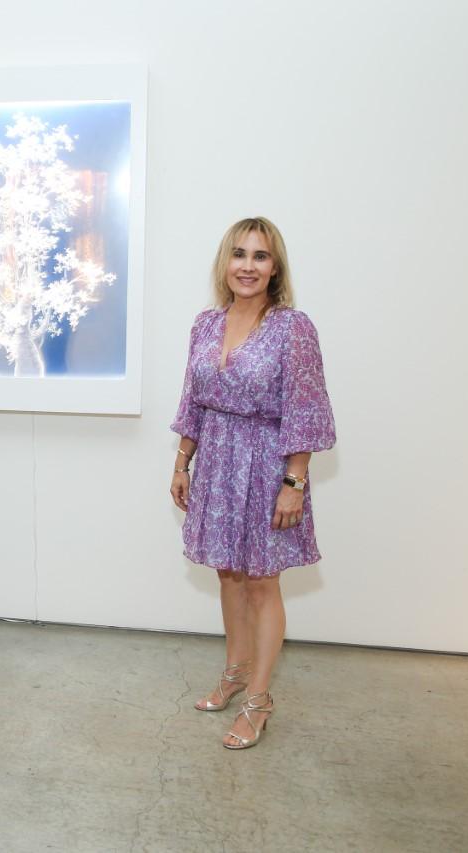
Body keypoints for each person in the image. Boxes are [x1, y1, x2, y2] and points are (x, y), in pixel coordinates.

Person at [169, 217, 335, 750]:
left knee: (262, 582)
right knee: (228, 575)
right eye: (239, 254)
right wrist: (182, 462)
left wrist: (295, 481)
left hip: (266, 465)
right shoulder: (205, 324)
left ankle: (259, 700)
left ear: (275, 267)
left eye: (260, 256)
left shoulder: (292, 328)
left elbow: (306, 409)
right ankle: (235, 672)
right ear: (225, 262)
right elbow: (192, 399)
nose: (247, 265)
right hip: (216, 460)